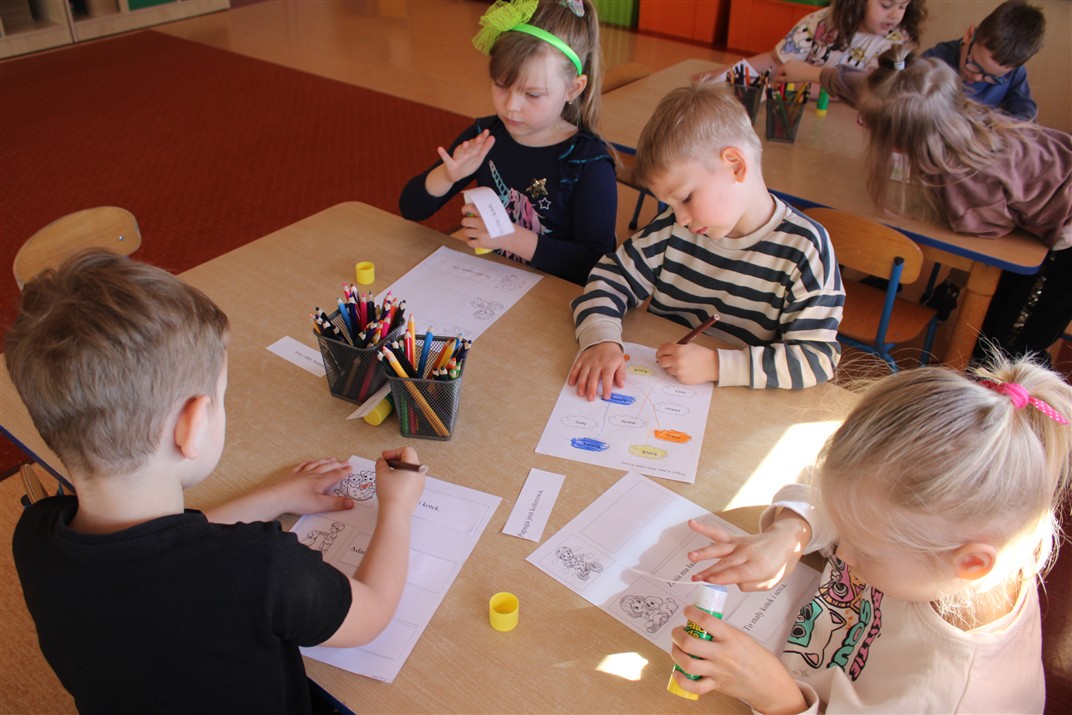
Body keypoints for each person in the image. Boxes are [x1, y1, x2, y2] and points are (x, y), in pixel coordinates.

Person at [6, 249, 427, 715]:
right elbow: (371, 614)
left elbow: (161, 550)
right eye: (220, 399)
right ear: (190, 426)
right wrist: (397, 507)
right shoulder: (261, 567)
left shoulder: (34, 534)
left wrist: (275, 497)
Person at [672, 355, 1071, 711]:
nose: (842, 554)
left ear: (970, 563)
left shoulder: (953, 696)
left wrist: (779, 699)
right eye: (842, 528)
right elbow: (827, 489)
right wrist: (792, 531)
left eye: (863, 549)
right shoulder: (938, 544)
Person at [568, 78, 844, 399]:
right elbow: (610, 278)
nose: (680, 218)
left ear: (735, 166)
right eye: (670, 205)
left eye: (686, 198)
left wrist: (717, 365)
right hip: (662, 391)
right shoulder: (674, 228)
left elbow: (816, 358)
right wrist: (601, 339)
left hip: (737, 402)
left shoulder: (805, 249)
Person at [821, 45, 1071, 365]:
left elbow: (984, 226)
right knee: (996, 325)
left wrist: (947, 201)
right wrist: (823, 75)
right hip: (1056, 202)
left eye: (867, 122)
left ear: (900, 142)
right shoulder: (946, 111)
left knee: (1013, 345)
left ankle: (1001, 386)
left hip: (1066, 240)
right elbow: (875, 88)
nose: (861, 123)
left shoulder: (963, 173)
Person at [398, 0, 616, 285]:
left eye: (532, 94)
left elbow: (595, 264)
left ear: (573, 89)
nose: (511, 106)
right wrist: (447, 176)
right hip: (494, 284)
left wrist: (512, 238)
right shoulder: (486, 135)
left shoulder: (588, 163)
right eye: (501, 85)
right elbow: (411, 208)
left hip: (556, 299)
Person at [749, 0, 927, 85]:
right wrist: (735, 71)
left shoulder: (897, 44)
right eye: (886, 5)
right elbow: (776, 60)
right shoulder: (822, 20)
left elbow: (857, 87)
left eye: (903, 6)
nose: (895, 15)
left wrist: (793, 85)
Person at [921, 0, 1045, 121]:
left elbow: (1026, 116)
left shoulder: (1013, 74)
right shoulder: (933, 61)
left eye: (992, 77)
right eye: (974, 65)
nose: (977, 78)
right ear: (969, 36)